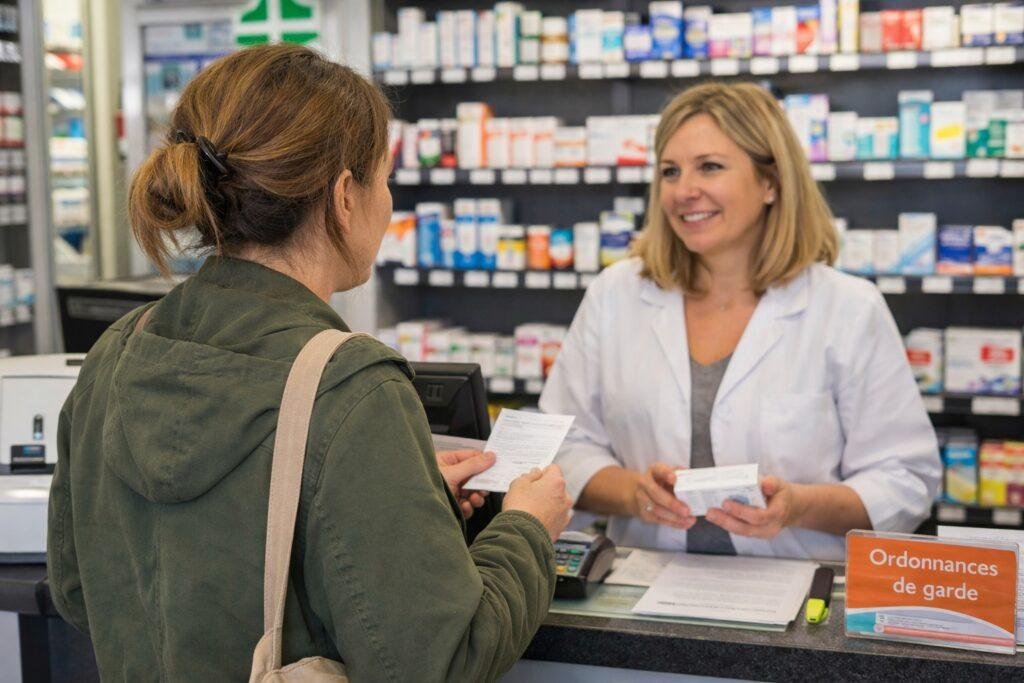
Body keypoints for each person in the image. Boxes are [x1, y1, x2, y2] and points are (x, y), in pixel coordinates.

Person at [47, 44, 572, 681]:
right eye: (384, 177)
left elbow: (79, 591)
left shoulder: (117, 349)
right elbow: (439, 661)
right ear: (345, 195)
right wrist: (526, 528)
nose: (389, 201)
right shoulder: (350, 387)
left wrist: (404, 494)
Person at [539, 82, 940, 562]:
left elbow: (905, 477)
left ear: (770, 182)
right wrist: (633, 494)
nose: (684, 191)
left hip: (799, 604)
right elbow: (563, 443)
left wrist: (796, 506)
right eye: (670, 171)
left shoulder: (848, 308)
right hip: (639, 595)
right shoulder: (616, 294)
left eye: (710, 166)